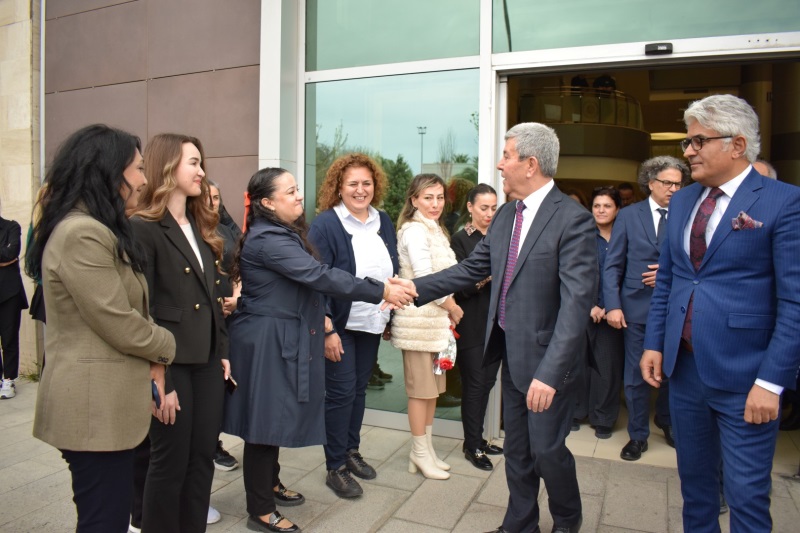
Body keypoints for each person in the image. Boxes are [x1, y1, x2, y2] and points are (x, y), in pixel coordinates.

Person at [394, 123, 596, 533]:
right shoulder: (507, 215)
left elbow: (576, 307)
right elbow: (471, 268)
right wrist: (416, 287)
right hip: (510, 355)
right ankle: (519, 523)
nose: (500, 165)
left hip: (547, 366)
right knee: (518, 450)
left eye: (507, 156)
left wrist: (549, 374)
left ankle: (567, 522)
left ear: (531, 164)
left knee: (548, 451)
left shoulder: (573, 220)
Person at [222, 168, 414, 533]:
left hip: (277, 337)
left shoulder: (282, 232)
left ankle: (270, 484)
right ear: (268, 202)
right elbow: (320, 275)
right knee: (263, 425)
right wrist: (381, 290)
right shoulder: (270, 239)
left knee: (273, 420)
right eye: (291, 191)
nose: (299, 195)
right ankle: (260, 511)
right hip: (266, 341)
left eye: (297, 189)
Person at [641, 94, 800, 532]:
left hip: (747, 378)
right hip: (685, 373)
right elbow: (670, 281)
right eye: (687, 141)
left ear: (737, 144)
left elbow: (794, 303)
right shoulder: (683, 201)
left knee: (746, 497)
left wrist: (771, 383)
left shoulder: (784, 201)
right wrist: (654, 343)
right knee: (696, 490)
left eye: (698, 141)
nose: (688, 151)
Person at [24, 124, 176, 532]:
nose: (144, 180)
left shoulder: (98, 227)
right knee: (103, 521)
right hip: (92, 411)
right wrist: (167, 344)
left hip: (107, 408)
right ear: (109, 171)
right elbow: (118, 320)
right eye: (138, 168)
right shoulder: (82, 233)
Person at [131, 133, 230, 533]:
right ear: (168, 166)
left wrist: (222, 350)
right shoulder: (143, 228)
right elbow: (143, 310)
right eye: (193, 162)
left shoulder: (200, 224)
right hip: (170, 363)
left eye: (201, 163)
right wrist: (161, 380)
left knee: (202, 457)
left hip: (206, 361)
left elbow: (211, 298)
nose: (202, 171)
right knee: (169, 462)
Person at [307, 153, 399, 498]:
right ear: (338, 187)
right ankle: (335, 467)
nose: (361, 190)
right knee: (341, 393)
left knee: (359, 390)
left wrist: (389, 315)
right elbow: (316, 281)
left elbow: (390, 267)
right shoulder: (326, 224)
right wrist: (327, 329)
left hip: (371, 320)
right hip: (340, 324)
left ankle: (351, 451)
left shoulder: (382, 220)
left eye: (366, 183)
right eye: (352, 184)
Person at [604, 156, 689, 460]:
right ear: (651, 183)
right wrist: (613, 305)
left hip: (675, 308)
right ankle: (638, 435)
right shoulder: (629, 215)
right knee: (635, 375)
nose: (674, 189)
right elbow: (612, 265)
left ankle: (666, 420)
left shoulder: (689, 214)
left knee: (671, 371)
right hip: (635, 307)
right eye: (667, 183)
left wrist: (668, 273)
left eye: (678, 184)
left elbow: (697, 263)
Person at [391, 173, 462, 481]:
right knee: (421, 393)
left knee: (432, 392)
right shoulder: (414, 230)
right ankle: (419, 453)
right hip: (419, 325)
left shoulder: (435, 229)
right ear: (414, 200)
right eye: (428, 198)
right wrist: (453, 307)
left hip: (435, 325)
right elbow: (425, 280)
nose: (435, 204)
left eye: (440, 197)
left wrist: (447, 311)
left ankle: (425, 451)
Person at [449, 184, 503, 471]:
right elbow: (462, 285)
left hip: (497, 324)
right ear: (470, 207)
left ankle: (478, 439)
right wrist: (492, 273)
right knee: (474, 385)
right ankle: (472, 446)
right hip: (471, 323)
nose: (489, 213)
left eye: (494, 208)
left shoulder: (500, 237)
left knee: (488, 384)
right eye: (484, 208)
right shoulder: (460, 240)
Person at [575, 186, 624, 439]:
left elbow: (626, 274)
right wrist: (590, 305)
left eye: (607, 206)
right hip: (583, 308)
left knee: (607, 367)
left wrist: (610, 305)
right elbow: (574, 273)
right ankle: (576, 412)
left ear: (617, 209)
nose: (601, 210)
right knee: (577, 364)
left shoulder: (624, 235)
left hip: (614, 312)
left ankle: (603, 417)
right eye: (597, 206)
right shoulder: (581, 235)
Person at [207, 179, 241, 475]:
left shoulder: (228, 230)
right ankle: (208, 444)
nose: (212, 203)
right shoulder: (186, 229)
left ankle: (213, 442)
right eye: (206, 197)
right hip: (203, 316)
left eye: (216, 198)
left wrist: (236, 298)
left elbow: (240, 266)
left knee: (223, 380)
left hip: (230, 314)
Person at [0, 199, 29, 399]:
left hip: (9, 292)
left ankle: (9, 379)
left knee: (9, 338)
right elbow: (6, 255)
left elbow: (12, 252)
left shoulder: (12, 227)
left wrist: (8, 257)